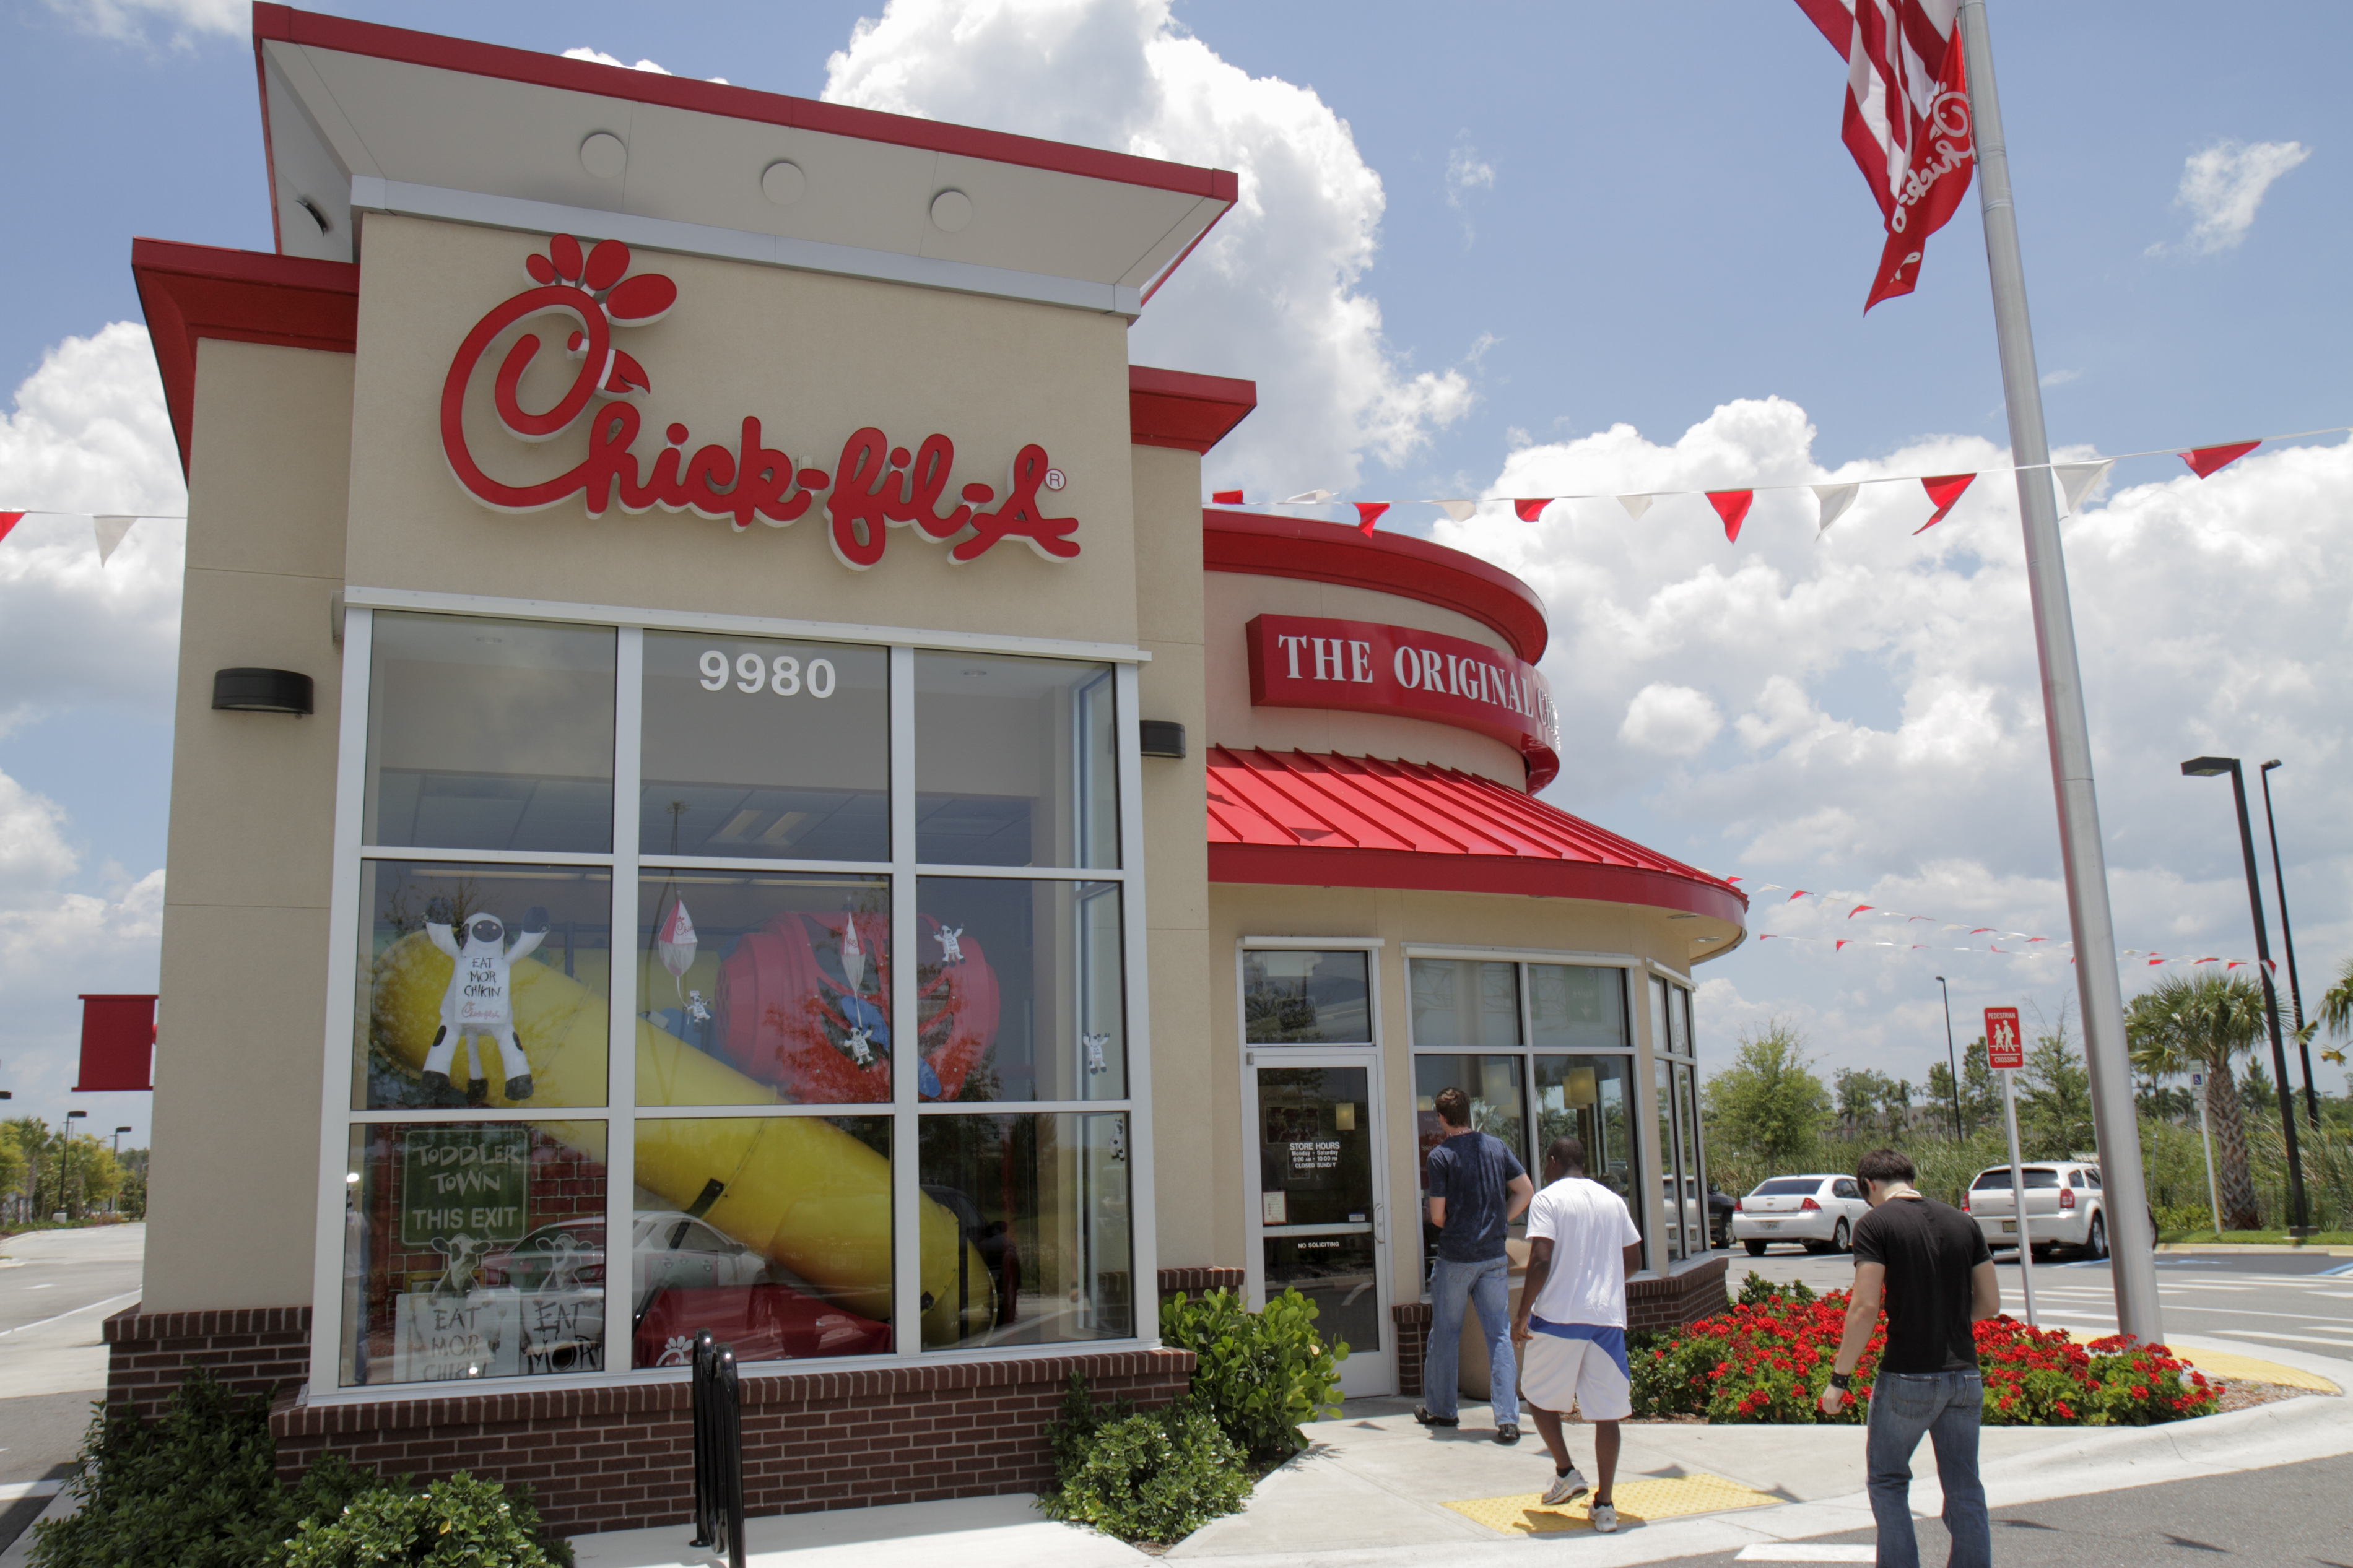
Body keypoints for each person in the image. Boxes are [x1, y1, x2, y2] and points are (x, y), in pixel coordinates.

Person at [1817, 1146, 2000, 1568]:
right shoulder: (1964, 1222)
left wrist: (1839, 1379)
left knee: (1888, 1480)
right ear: (1911, 1179)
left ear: (1868, 1185)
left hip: (1907, 1376)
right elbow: (1990, 1303)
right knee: (1964, 1486)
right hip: (1964, 1376)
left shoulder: (1875, 1224)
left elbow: (1865, 1308)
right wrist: (1946, 1317)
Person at [1511, 1135, 1643, 1536]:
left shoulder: (1548, 1200)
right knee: (1607, 1413)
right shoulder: (1613, 1201)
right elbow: (1634, 1259)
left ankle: (1566, 1471)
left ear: (1553, 1161)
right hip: (1606, 1320)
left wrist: (1522, 1314)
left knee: (1536, 1395)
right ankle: (1605, 1505)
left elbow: (1541, 1259)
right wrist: (1601, 1285)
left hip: (1558, 1318)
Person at [1417, 1086, 1535, 1442]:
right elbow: (1525, 1191)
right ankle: (1508, 1419)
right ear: (1468, 1112)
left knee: (1445, 1334)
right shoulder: (1497, 1147)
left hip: (1456, 1257)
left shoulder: (1440, 1157)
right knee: (1499, 1335)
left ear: (1441, 1118)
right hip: (1494, 1257)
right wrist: (1500, 1220)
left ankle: (1442, 1410)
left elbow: (1438, 1216)